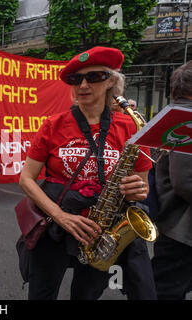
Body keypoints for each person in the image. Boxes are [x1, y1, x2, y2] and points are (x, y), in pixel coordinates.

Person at [19, 46, 156, 300]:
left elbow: (143, 185)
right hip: (56, 225)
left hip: (102, 231)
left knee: (86, 294)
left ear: (111, 81)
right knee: (41, 293)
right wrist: (60, 216)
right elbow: (26, 179)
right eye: (75, 79)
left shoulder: (132, 127)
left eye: (93, 77)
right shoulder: (53, 125)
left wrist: (138, 189)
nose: (83, 84)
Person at [151, 61, 192, 300]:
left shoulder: (177, 116)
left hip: (177, 225)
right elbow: (186, 181)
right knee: (166, 290)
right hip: (182, 228)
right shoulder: (186, 120)